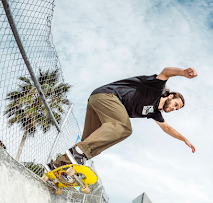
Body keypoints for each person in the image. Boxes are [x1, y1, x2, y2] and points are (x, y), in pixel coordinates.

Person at [45, 67, 197, 172]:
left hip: (97, 104)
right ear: (171, 96)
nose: (174, 108)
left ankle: (56, 167)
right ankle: (78, 154)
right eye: (175, 104)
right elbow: (166, 72)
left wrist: (184, 139)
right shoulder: (158, 89)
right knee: (123, 128)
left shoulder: (154, 113)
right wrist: (183, 72)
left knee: (90, 143)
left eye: (177, 109)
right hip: (107, 96)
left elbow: (166, 128)